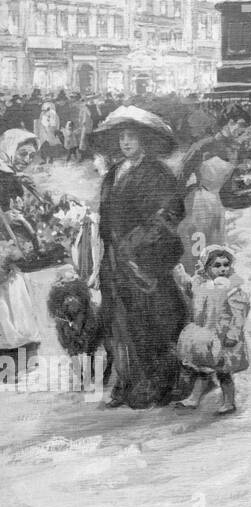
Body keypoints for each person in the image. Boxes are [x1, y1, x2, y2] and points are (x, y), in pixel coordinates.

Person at [91, 107, 188, 409]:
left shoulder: (158, 172)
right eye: (122, 138)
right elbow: (106, 216)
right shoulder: (112, 173)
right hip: (114, 262)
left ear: (145, 140)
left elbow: (171, 212)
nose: (126, 143)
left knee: (150, 321)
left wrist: (136, 243)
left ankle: (158, 381)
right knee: (117, 322)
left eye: (132, 137)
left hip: (145, 262)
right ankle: (126, 380)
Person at [175, 245, 250, 415]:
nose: (223, 269)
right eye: (217, 265)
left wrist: (233, 334)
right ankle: (193, 399)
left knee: (224, 373)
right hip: (204, 334)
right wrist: (180, 273)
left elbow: (239, 315)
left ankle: (229, 402)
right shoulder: (201, 284)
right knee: (203, 370)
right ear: (206, 267)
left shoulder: (233, 288)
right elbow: (189, 288)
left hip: (223, 337)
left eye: (226, 265)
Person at [0, 130, 45, 360]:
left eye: (31, 155)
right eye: (23, 153)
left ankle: (16, 351)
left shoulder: (13, 177)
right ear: (9, 149)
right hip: (3, 245)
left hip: (10, 244)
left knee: (14, 296)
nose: (26, 159)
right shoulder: (4, 176)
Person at [176, 156, 234, 275]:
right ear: (216, 178)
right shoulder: (208, 199)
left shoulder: (197, 192)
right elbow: (200, 230)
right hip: (200, 246)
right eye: (224, 177)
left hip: (195, 244)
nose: (226, 181)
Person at [180, 106, 251, 184]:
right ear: (229, 122)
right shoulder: (203, 146)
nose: (243, 130)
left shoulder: (237, 148)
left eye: (245, 127)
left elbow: (238, 177)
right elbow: (183, 174)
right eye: (241, 125)